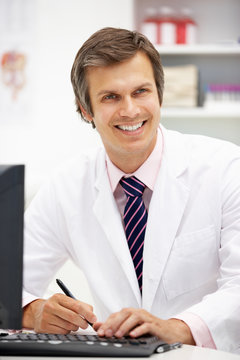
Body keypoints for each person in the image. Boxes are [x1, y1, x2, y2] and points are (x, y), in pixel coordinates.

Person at [22, 27, 240, 353]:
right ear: (85, 109)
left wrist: (176, 328)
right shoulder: (65, 186)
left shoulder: (225, 168)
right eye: (110, 97)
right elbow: (8, 278)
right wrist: (31, 311)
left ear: (159, 95)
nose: (130, 110)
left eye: (141, 92)